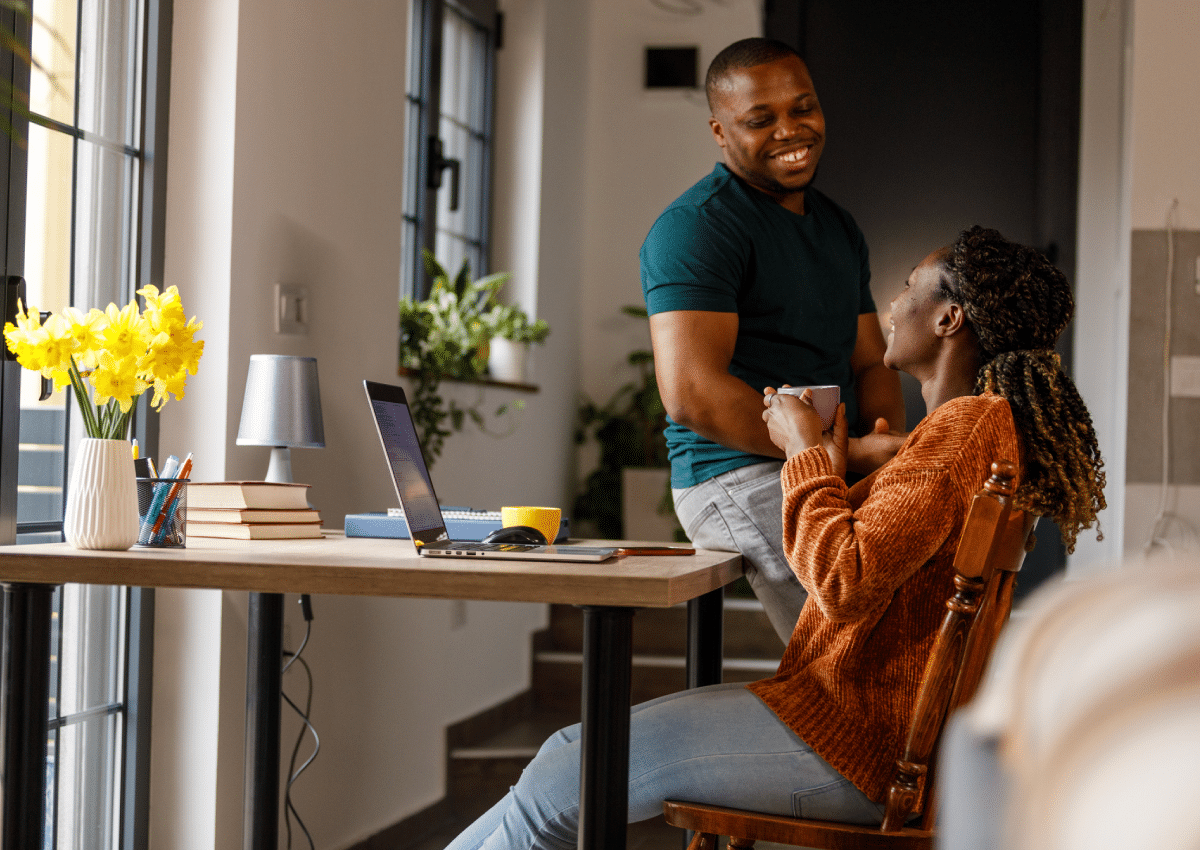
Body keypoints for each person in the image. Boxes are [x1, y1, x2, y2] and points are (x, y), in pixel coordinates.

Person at [444, 226, 1106, 850]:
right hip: (849, 727)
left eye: (909, 287)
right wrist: (842, 462)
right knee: (567, 752)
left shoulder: (962, 430)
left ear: (949, 318)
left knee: (563, 786)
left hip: (851, 748)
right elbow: (880, 551)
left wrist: (804, 453)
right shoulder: (976, 429)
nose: (892, 304)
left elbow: (843, 581)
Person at [641, 37, 905, 643]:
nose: (790, 130)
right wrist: (833, 455)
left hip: (831, 460)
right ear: (719, 130)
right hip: (735, 472)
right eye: (760, 120)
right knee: (862, 640)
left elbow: (871, 363)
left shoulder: (838, 226)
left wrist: (883, 447)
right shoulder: (696, 228)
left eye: (802, 108)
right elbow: (692, 395)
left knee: (925, 593)